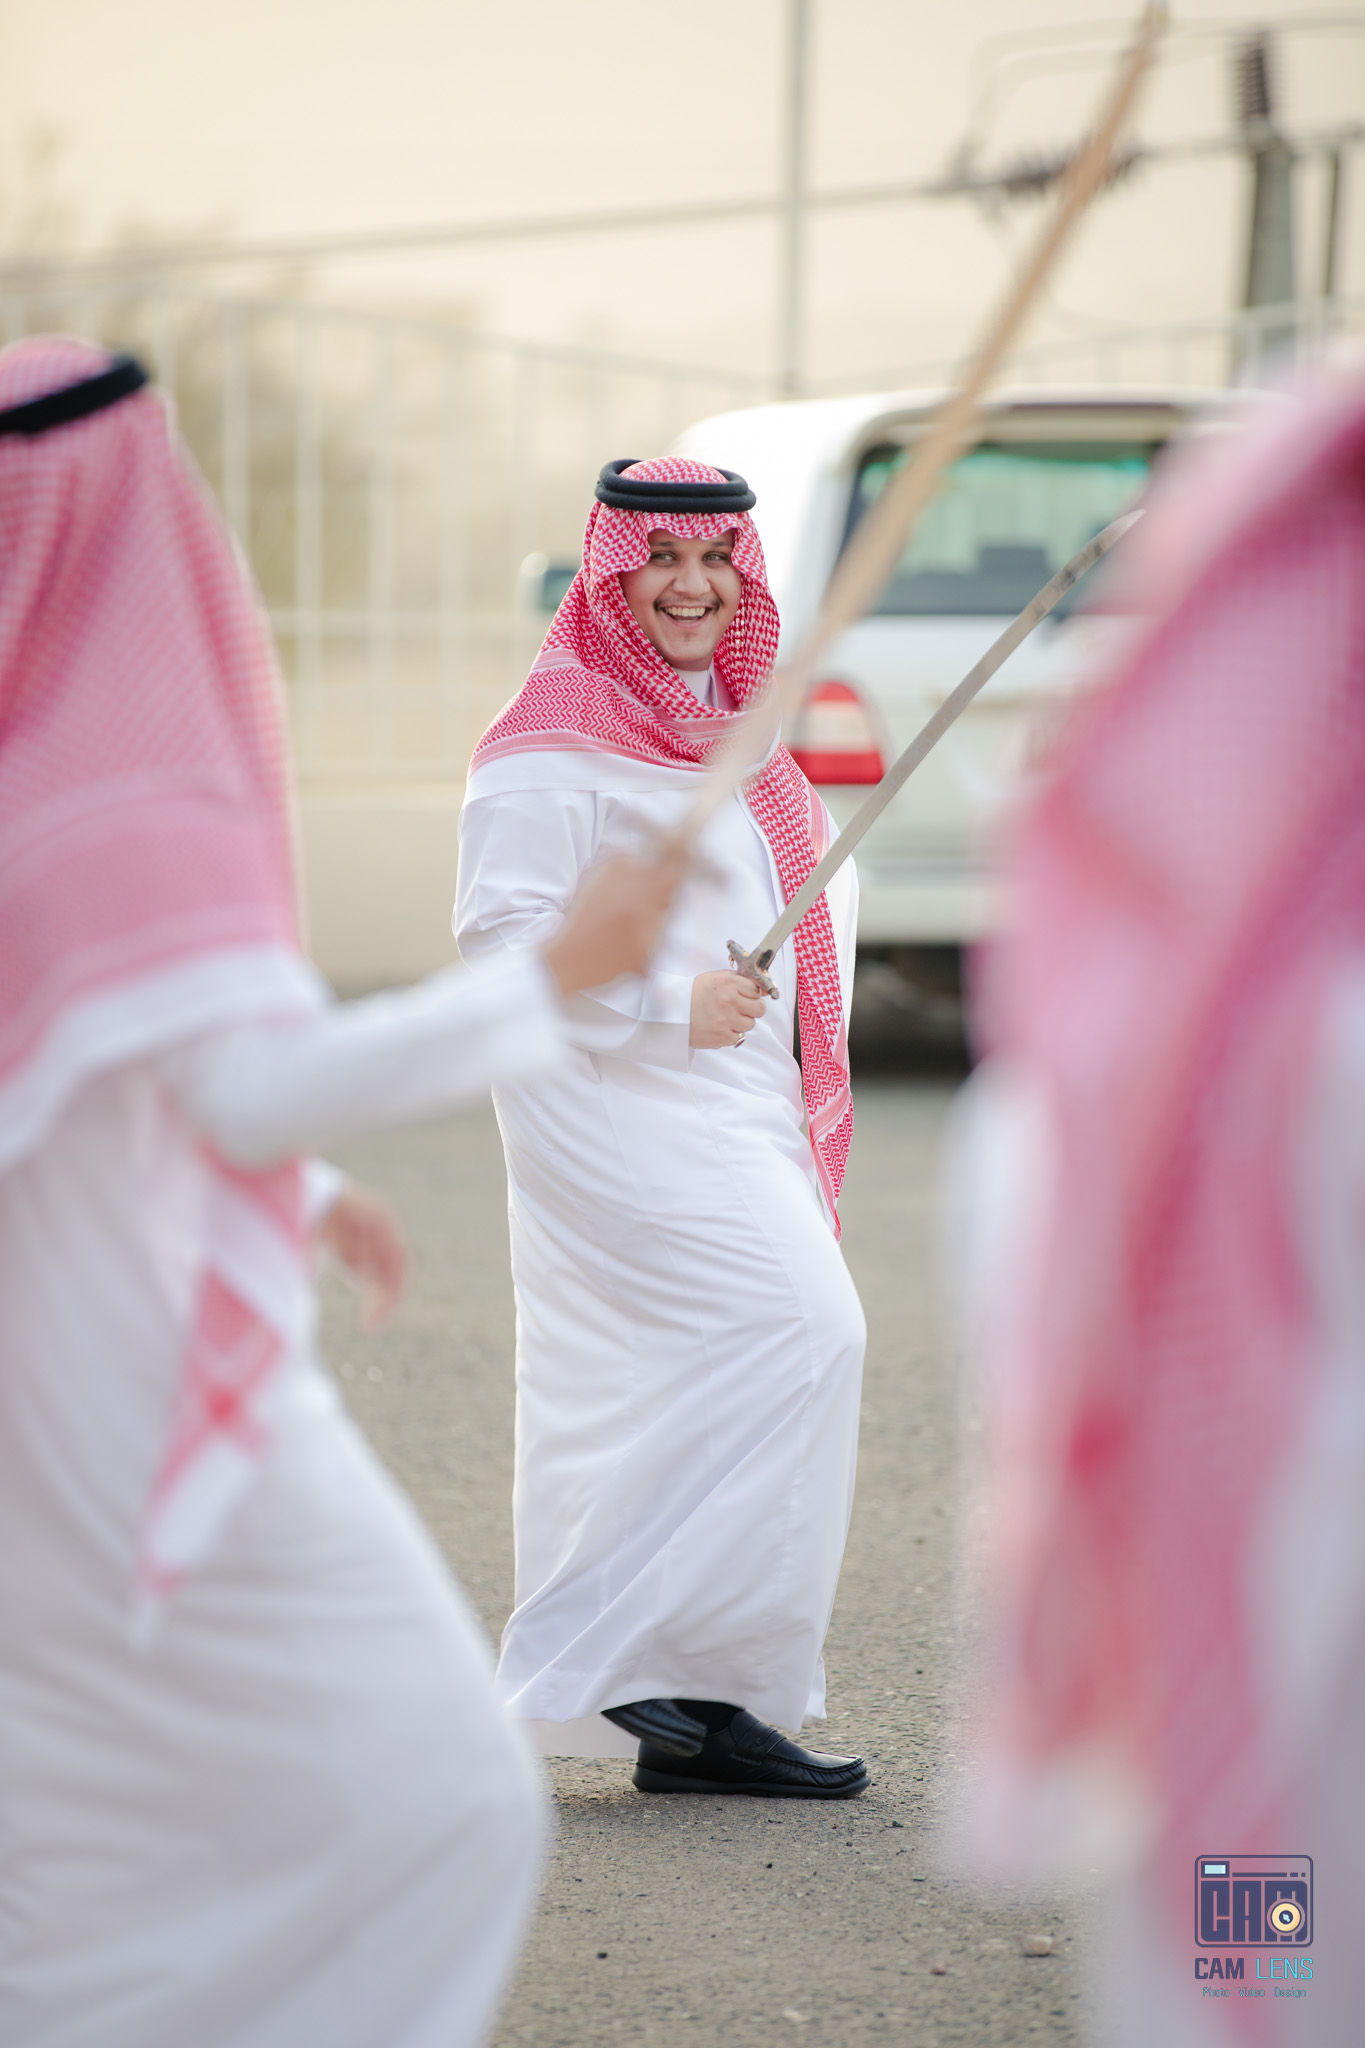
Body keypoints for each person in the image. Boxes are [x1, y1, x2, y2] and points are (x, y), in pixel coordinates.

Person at [0, 337, 681, 2048]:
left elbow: (88, 1078)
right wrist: (558, 974)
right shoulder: (111, 799)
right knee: (445, 1808)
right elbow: (238, 1083)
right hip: (118, 1391)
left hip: (40, 1405)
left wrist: (298, 1195)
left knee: (79, 1856)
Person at [957, 366, 1365, 2043]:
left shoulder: (1097, 1067)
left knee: (1237, 1962)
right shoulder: (1278, 1062)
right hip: (1275, 1741)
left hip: (1222, 1762)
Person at [456, 455, 869, 1798]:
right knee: (804, 1330)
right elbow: (498, 950)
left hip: (730, 1096)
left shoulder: (732, 728)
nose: (692, 588)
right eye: (663, 562)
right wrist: (661, 1006)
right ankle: (616, 1650)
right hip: (609, 1100)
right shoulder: (546, 742)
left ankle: (710, 1703)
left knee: (725, 1367)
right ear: (611, 573)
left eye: (715, 562)